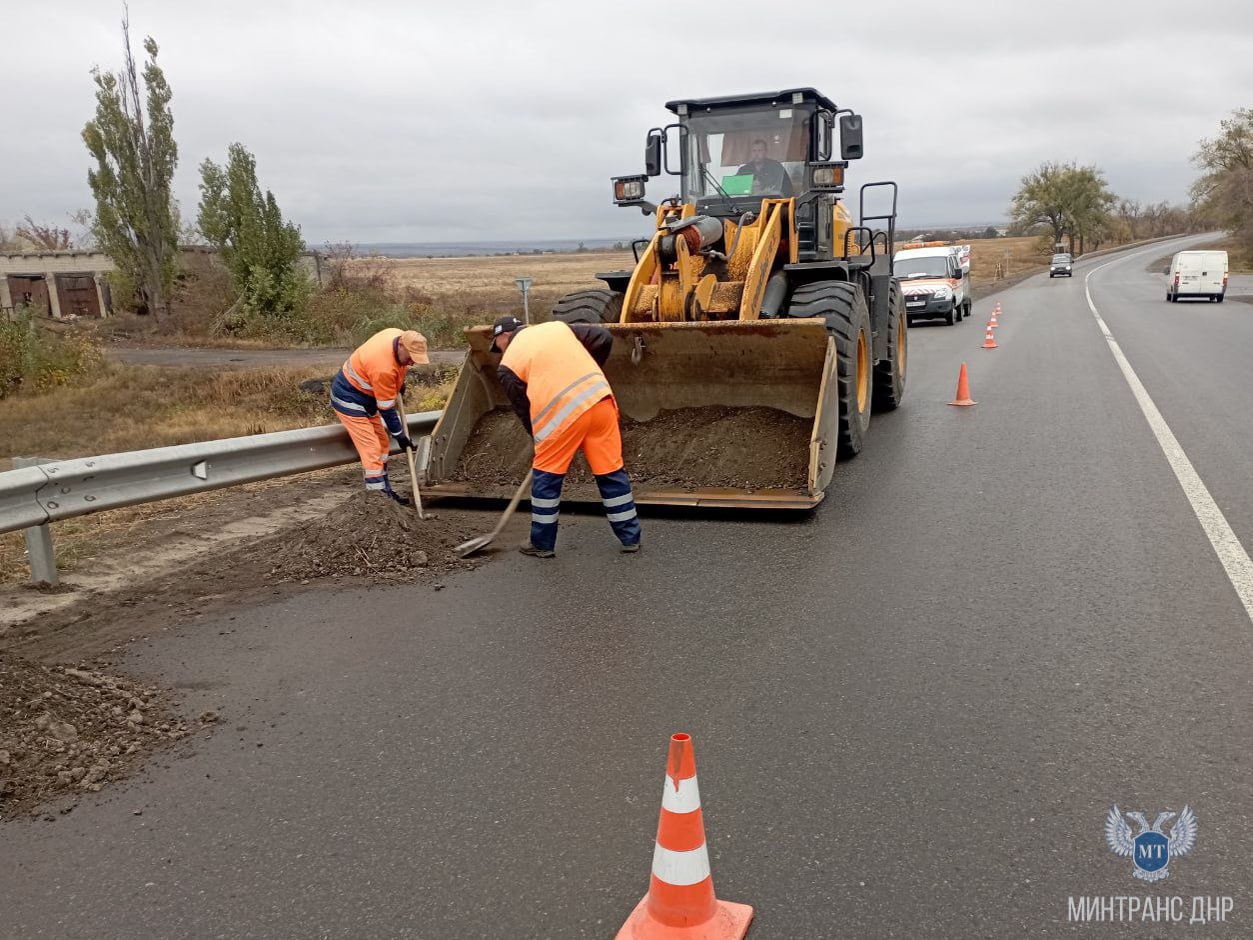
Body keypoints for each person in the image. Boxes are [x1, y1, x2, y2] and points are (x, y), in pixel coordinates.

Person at [489, 315, 641, 558]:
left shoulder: (508, 364)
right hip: (600, 401)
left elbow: (522, 406)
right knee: (611, 472)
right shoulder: (557, 328)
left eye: (496, 345)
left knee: (547, 479)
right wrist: (589, 373)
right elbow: (603, 337)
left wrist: (536, 436)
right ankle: (630, 537)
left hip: (561, 416)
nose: (498, 350)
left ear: (502, 336)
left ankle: (542, 543)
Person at [331, 328, 429, 503]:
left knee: (383, 443)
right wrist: (399, 435)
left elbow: (399, 366)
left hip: (367, 397)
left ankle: (386, 492)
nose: (412, 363)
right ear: (401, 345)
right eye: (410, 357)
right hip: (349, 398)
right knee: (372, 449)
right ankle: (377, 501)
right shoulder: (382, 367)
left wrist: (399, 383)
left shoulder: (397, 335)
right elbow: (386, 408)